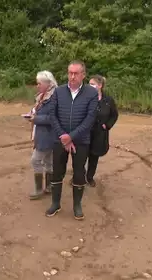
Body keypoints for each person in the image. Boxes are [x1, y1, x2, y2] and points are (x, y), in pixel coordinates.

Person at [45, 60, 98, 219]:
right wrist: (64, 137)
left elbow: (90, 119)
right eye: (70, 73)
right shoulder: (58, 92)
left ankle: (77, 205)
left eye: (76, 73)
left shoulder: (92, 93)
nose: (72, 76)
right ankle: (55, 203)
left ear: (83, 75)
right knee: (57, 172)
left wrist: (72, 137)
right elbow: (52, 115)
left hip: (81, 141)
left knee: (79, 173)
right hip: (59, 139)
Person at [26, 70, 58, 200]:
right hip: (46, 134)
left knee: (35, 160)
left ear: (47, 83)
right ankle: (49, 186)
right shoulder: (43, 96)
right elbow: (39, 111)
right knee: (48, 161)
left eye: (39, 83)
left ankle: (39, 189)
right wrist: (32, 113)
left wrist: (36, 118)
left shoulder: (53, 98)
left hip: (47, 135)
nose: (37, 85)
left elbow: (53, 118)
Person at [86, 75, 119, 187]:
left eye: (92, 84)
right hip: (85, 133)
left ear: (100, 85)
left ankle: (89, 177)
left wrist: (107, 125)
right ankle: (77, 176)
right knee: (80, 156)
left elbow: (114, 115)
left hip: (99, 133)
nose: (89, 86)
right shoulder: (85, 98)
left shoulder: (108, 100)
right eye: (89, 84)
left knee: (94, 157)